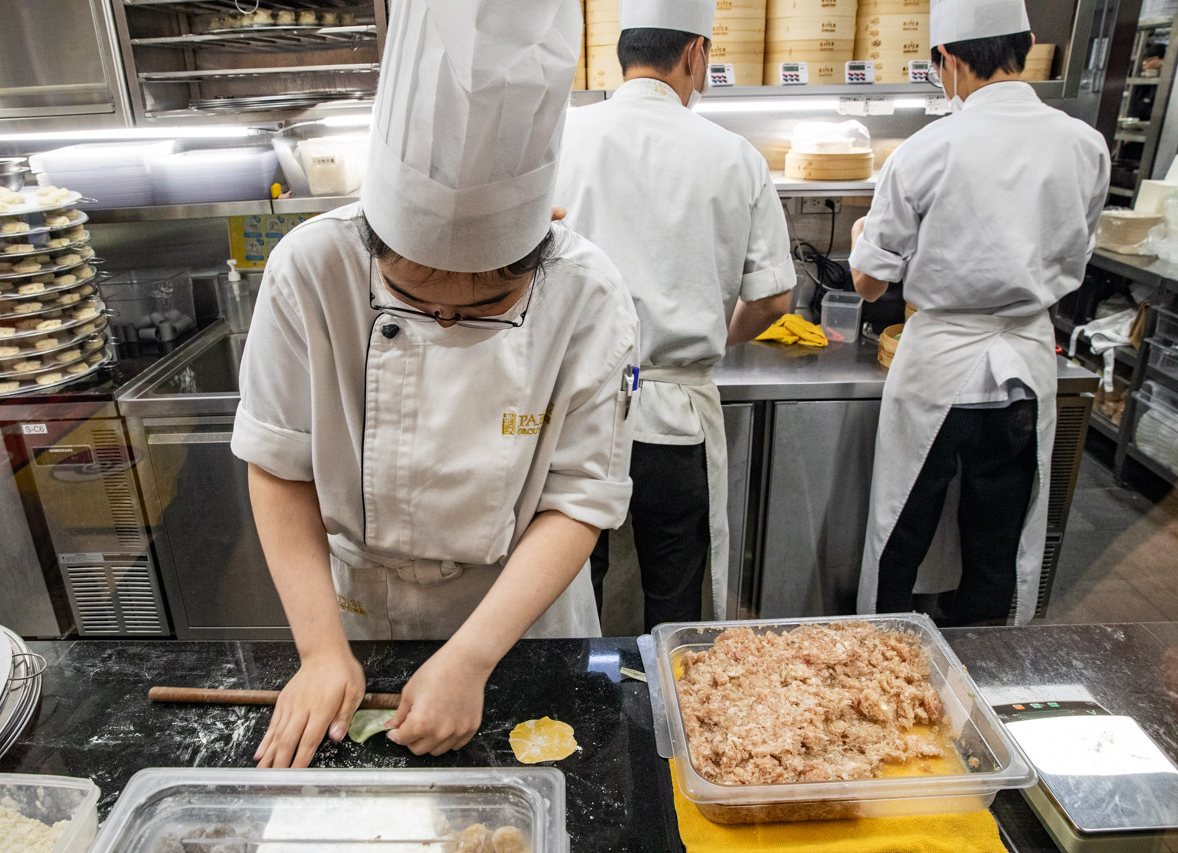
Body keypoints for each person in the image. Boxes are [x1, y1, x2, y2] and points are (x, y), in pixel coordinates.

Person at [230, 0, 639, 766]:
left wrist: (474, 655)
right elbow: (279, 464)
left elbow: (581, 497)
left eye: (486, 307)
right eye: (416, 300)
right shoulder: (310, 270)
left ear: (540, 246)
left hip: (520, 622)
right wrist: (320, 652)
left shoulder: (589, 295)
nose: (446, 317)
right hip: (359, 616)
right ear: (372, 236)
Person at [850, 0, 1110, 627]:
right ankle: (988, 678)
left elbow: (866, 283)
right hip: (1023, 364)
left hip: (940, 366)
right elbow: (1079, 248)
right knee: (998, 544)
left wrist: (864, 232)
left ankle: (881, 664)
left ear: (948, 59)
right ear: (1023, 46)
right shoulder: (1085, 145)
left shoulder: (928, 147)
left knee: (901, 535)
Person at [554, 0, 794, 628]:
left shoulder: (561, 138)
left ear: (622, 53)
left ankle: (580, 715)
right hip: (675, 420)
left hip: (577, 414)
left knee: (575, 590)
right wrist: (715, 341)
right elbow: (773, 299)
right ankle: (672, 717)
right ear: (695, 53)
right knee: (674, 600)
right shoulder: (735, 155)